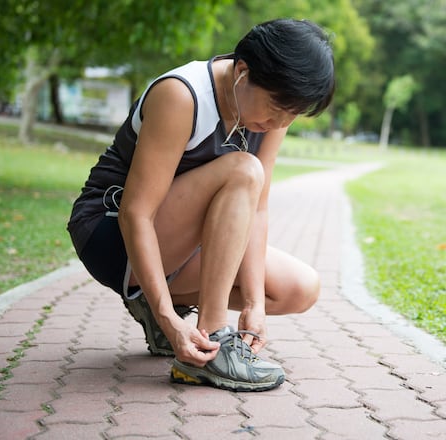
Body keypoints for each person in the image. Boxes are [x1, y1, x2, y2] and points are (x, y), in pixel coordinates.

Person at [67, 18, 336, 392]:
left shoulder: (274, 111)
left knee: (299, 288)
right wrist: (168, 319)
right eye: (277, 108)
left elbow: (257, 209)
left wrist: (255, 305)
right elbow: (136, 212)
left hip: (171, 242)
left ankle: (162, 309)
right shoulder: (182, 95)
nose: (280, 121)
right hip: (111, 232)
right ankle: (211, 338)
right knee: (244, 169)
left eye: (292, 114)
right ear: (242, 71)